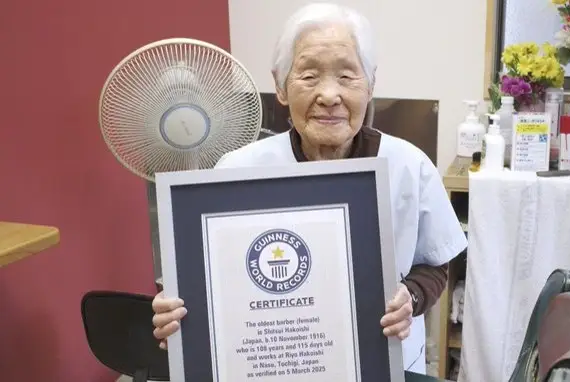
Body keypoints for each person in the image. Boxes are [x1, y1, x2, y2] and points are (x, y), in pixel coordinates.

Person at [151, 2, 467, 374]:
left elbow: (433, 265)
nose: (329, 95)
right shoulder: (237, 171)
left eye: (347, 76)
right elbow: (212, 283)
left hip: (384, 363)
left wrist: (410, 298)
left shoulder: (409, 166)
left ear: (371, 85)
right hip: (269, 365)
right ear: (280, 86)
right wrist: (178, 314)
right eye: (309, 75)